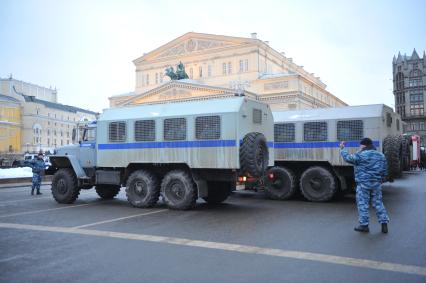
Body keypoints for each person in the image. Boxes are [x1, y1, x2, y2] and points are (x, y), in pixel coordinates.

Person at [340, 138, 390, 233]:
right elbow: (385, 170)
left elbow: (348, 158)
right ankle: (384, 225)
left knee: (363, 204)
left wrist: (343, 148)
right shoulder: (381, 155)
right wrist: (380, 180)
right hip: (376, 183)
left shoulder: (361, 155)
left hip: (363, 184)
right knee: (378, 203)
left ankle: (364, 226)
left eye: (360, 145)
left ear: (363, 145)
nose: (360, 147)